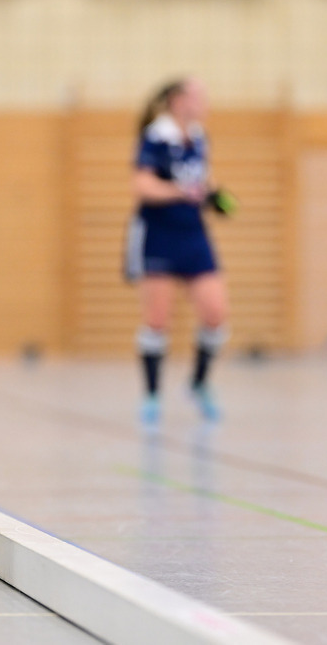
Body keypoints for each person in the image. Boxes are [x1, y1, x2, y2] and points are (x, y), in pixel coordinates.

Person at [126, 78, 229, 427]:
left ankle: (199, 383)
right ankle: (152, 395)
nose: (204, 101)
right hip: (161, 235)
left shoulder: (199, 138)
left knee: (215, 312)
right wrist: (180, 191)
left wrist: (216, 198)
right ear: (178, 100)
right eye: (198, 95)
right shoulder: (157, 136)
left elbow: (201, 183)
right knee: (157, 319)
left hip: (194, 235)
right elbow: (141, 185)